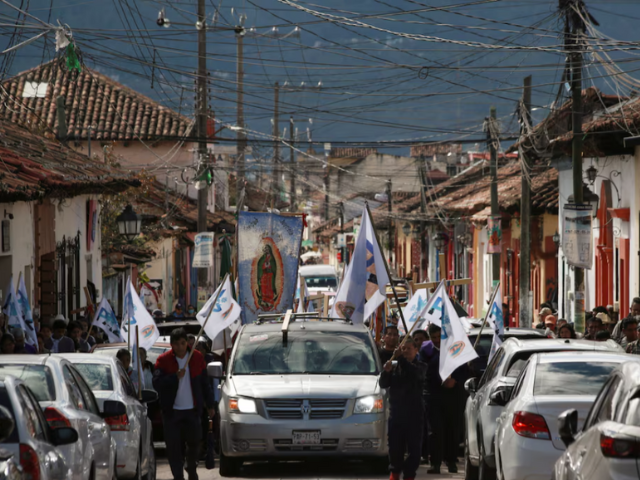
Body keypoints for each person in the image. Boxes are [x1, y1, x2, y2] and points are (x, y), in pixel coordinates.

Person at [153, 328, 215, 480]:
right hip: (172, 413)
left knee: (195, 443)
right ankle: (178, 475)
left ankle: (191, 467)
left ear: (187, 342)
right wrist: (175, 377)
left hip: (193, 410)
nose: (180, 347)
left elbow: (204, 383)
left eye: (182, 343)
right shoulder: (163, 360)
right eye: (176, 344)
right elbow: (157, 383)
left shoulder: (197, 358)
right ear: (172, 345)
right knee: (174, 448)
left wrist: (210, 404)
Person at [420, 323, 468, 474]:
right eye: (433, 337)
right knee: (434, 431)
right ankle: (435, 463)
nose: (436, 340)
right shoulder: (426, 351)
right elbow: (424, 372)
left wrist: (455, 381)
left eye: (438, 337)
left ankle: (451, 461)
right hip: (433, 396)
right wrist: (441, 380)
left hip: (453, 396)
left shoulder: (456, 349)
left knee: (452, 429)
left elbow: (464, 371)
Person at [379, 337, 426, 480]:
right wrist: (386, 372)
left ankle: (409, 473)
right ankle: (395, 472)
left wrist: (401, 359)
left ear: (416, 350)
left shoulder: (421, 366)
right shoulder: (395, 365)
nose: (405, 351)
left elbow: (414, 375)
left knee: (414, 450)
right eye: (403, 349)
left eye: (409, 349)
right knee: (395, 447)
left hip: (414, 415)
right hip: (397, 414)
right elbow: (383, 384)